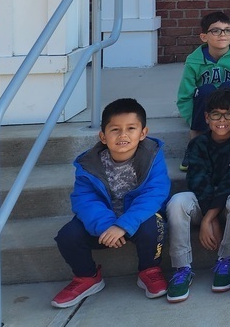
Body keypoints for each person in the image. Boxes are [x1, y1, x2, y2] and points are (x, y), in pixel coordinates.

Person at [51, 99, 169, 308]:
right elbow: (85, 199)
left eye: (131, 128)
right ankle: (87, 277)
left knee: (155, 225)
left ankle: (149, 270)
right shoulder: (90, 164)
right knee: (67, 236)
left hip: (137, 220)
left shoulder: (151, 156)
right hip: (103, 225)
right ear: (103, 136)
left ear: (142, 133)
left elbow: (155, 193)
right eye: (115, 129)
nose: (123, 135)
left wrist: (123, 225)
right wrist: (107, 225)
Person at [165, 88, 230, 302]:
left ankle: (226, 260)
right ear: (206, 117)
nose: (222, 120)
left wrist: (209, 218)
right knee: (177, 201)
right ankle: (182, 268)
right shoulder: (198, 143)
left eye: (229, 114)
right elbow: (197, 180)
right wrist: (207, 216)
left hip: (228, 206)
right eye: (216, 114)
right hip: (204, 203)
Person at [175, 11, 230, 145]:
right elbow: (185, 96)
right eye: (216, 31)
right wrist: (193, 119)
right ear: (204, 37)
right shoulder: (194, 61)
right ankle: (196, 143)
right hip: (204, 113)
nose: (223, 34)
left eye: (227, 30)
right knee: (206, 89)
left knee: (228, 86)